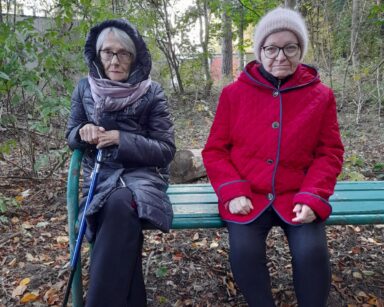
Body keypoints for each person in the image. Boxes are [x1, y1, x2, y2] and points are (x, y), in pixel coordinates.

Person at [202, 7, 344, 307]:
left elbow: (329, 152)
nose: (280, 56)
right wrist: (232, 191)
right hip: (248, 195)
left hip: (297, 194)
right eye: (271, 48)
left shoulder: (321, 96)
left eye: (290, 47)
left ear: (301, 50)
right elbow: (215, 150)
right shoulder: (233, 94)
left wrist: (312, 196)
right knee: (245, 253)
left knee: (311, 253)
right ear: (260, 50)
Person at [66, 19, 176, 307]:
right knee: (117, 211)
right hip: (100, 177)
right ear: (97, 55)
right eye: (108, 53)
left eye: (123, 53)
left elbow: (165, 149)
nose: (115, 60)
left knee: (117, 204)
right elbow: (71, 134)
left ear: (134, 56)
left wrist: (121, 139)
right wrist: (82, 132)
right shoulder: (84, 89)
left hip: (143, 177)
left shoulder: (152, 92)